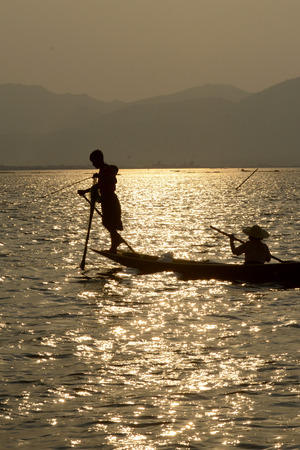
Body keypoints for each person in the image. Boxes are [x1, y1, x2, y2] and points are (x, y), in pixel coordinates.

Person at [78, 149, 123, 253]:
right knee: (107, 223)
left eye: (94, 162)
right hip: (106, 201)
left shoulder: (106, 169)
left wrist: (100, 176)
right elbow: (99, 185)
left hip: (111, 201)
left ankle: (115, 242)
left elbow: (113, 180)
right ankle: (115, 244)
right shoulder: (102, 171)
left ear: (99, 160)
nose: (93, 165)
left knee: (109, 223)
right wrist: (85, 191)